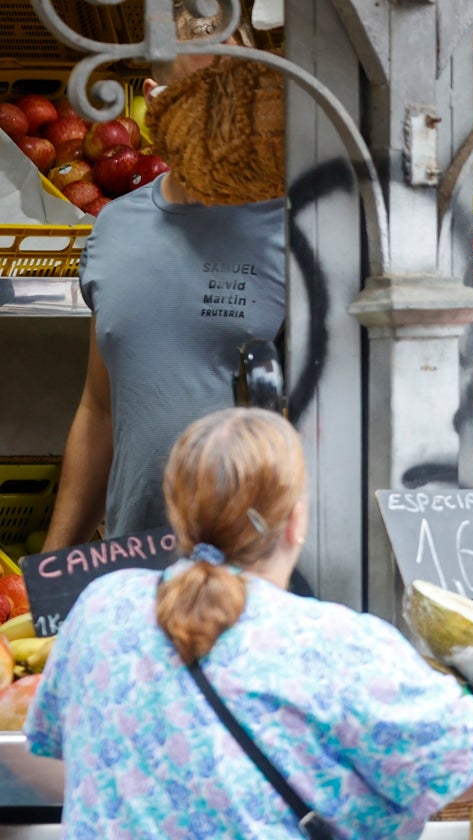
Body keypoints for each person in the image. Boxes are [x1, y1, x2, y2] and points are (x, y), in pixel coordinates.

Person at [25, 407, 473, 838]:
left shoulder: (101, 608)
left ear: (178, 513)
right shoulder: (334, 645)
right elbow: (465, 750)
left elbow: (55, 750)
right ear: (296, 521)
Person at [41, 7, 287, 555]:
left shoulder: (299, 230)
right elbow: (99, 410)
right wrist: (53, 569)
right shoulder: (116, 227)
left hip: (264, 577)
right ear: (157, 100)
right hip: (137, 566)